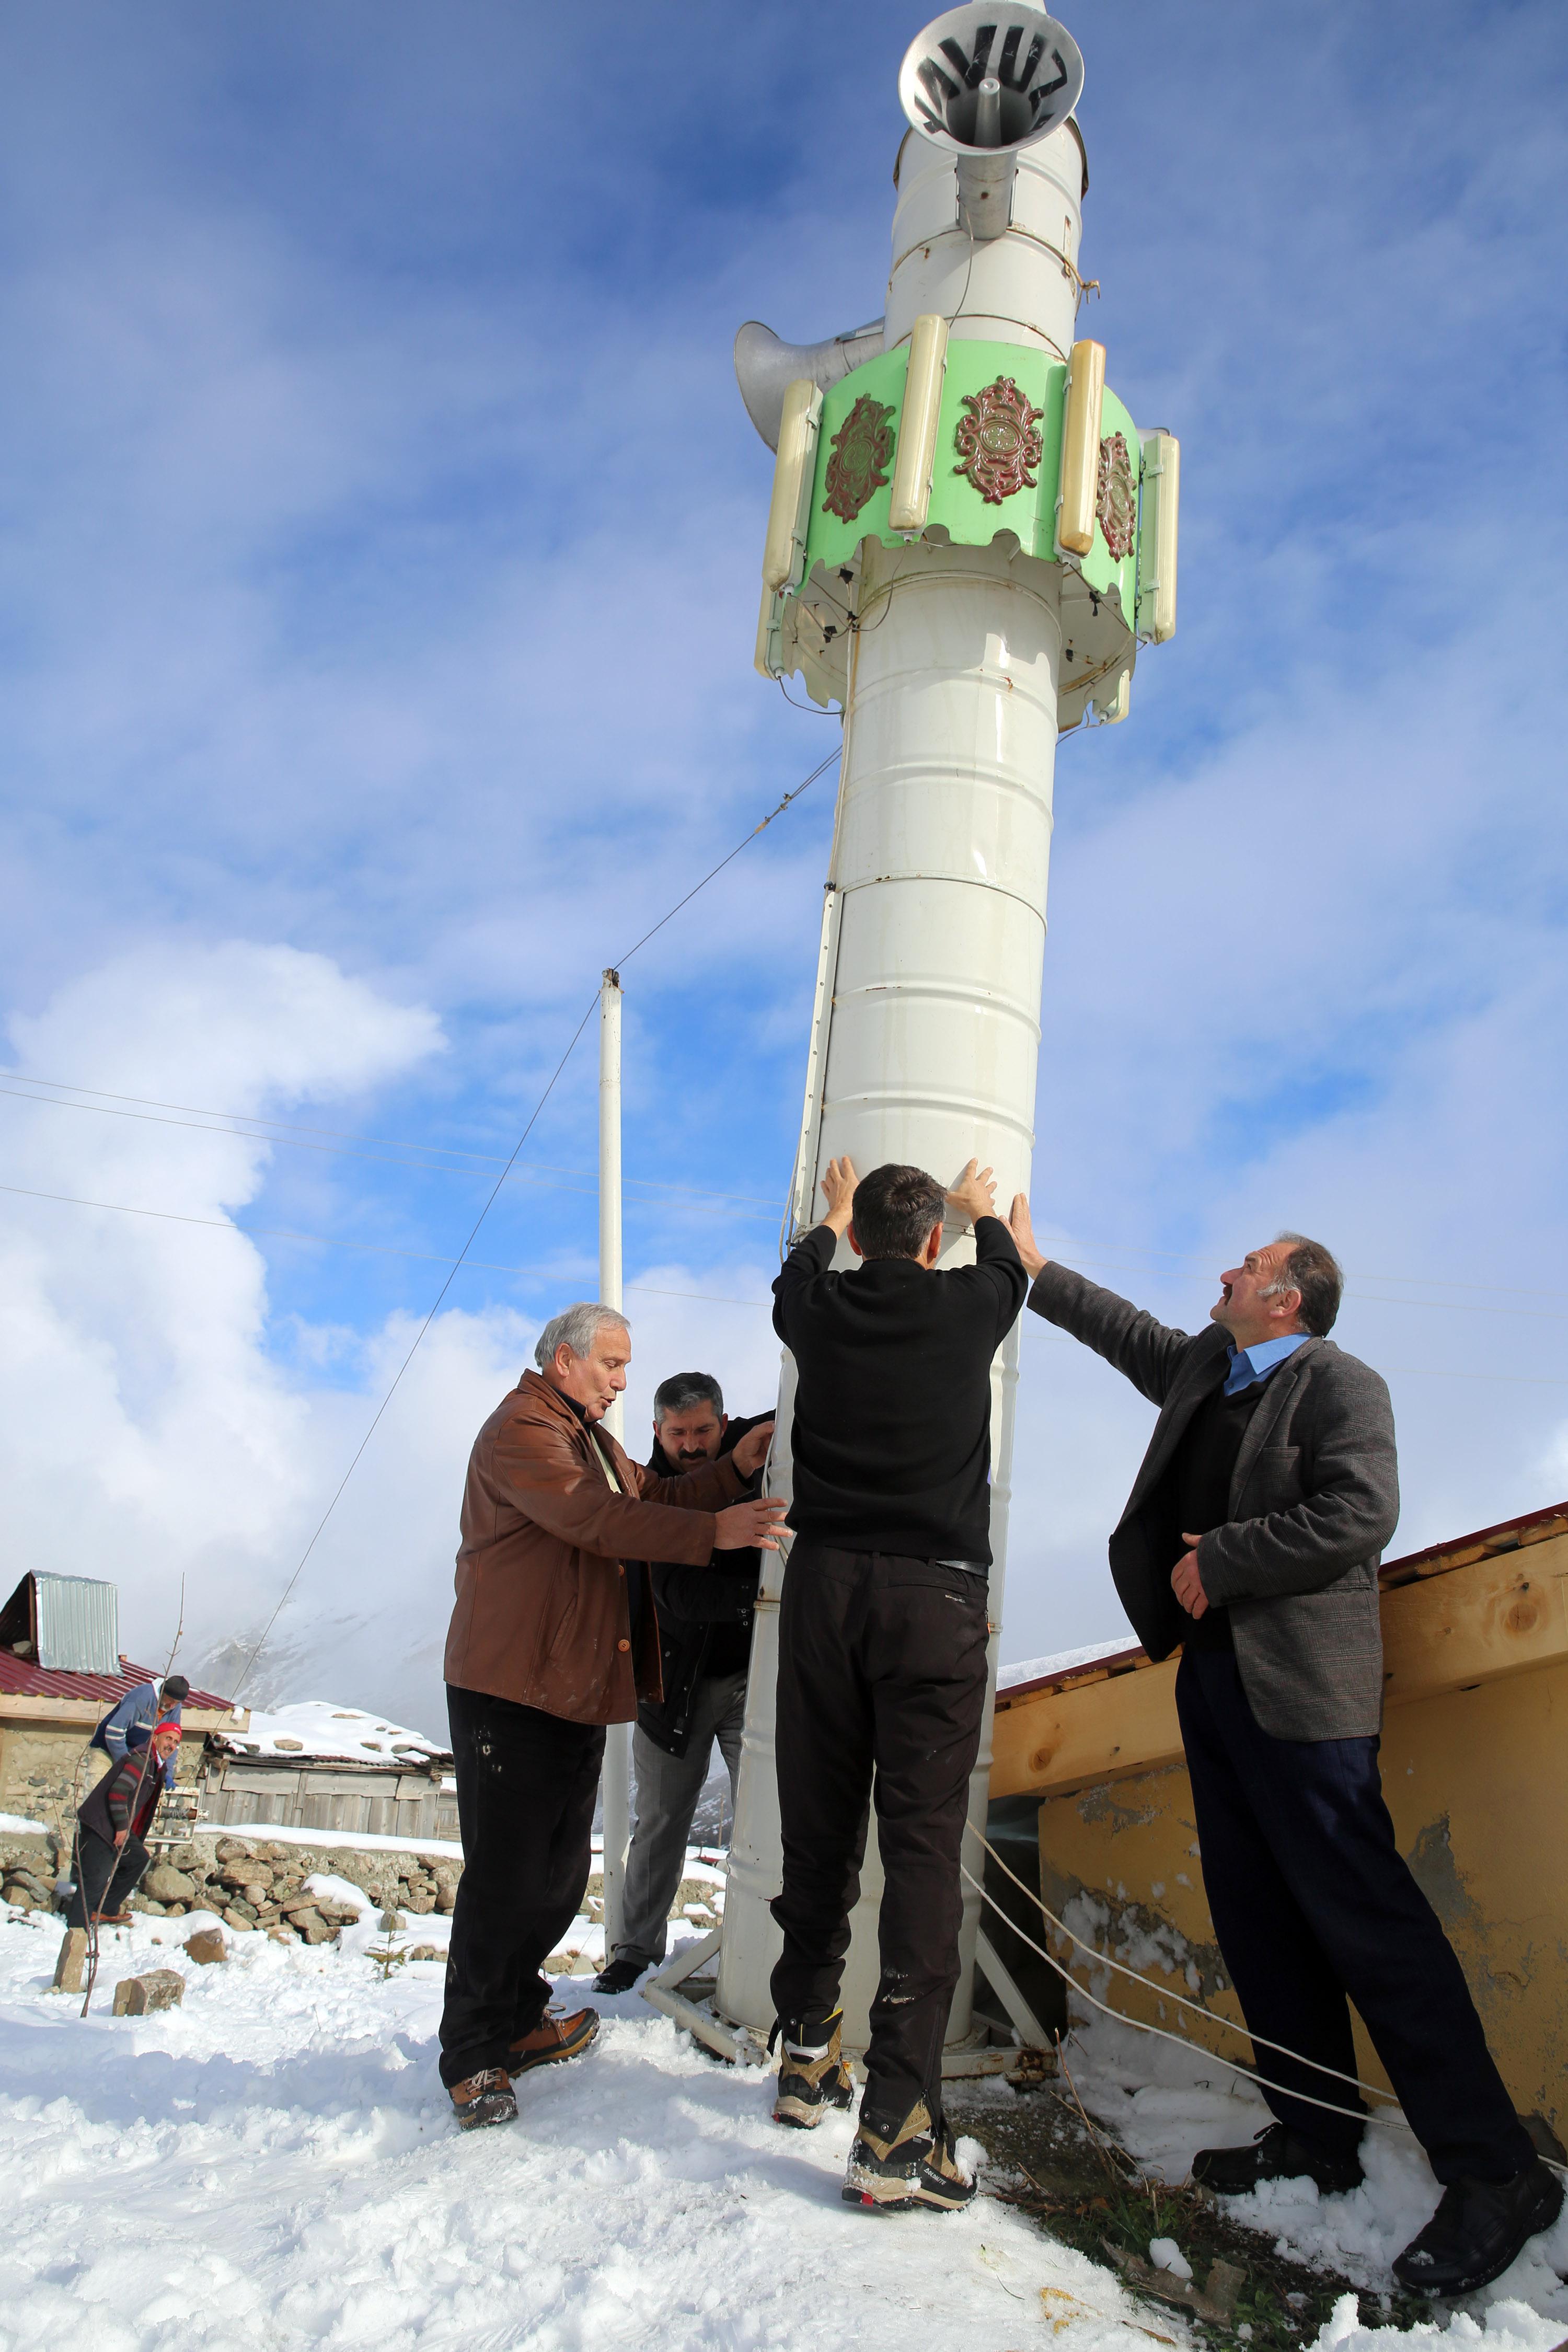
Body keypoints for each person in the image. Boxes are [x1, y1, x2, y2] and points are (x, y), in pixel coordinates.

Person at [1010, 1207, 1563, 2298]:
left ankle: (1497, 2173)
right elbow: (1129, 1334)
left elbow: (1363, 1512)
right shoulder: (1210, 1367)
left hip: (1306, 1692)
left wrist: (1226, 1555)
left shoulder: (1338, 1384)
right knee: (1258, 1915)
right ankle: (1314, 2132)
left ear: (1289, 1298)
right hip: (1213, 1681)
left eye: (1249, 1265)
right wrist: (1033, 1267)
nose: (1224, 1271)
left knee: (1369, 1920)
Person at [439, 1300, 783, 2131]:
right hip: (509, 1687)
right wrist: (719, 1535)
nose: (623, 1381)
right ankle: (472, 2055)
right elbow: (601, 1520)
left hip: (565, 1684)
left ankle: (519, 2020)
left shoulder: (585, 1435)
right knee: (505, 1873)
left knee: (554, 1871)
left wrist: (734, 1467)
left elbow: (658, 1492)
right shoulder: (525, 1430)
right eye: (612, 1366)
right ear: (565, 1361)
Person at [767, 1155, 1028, 2213]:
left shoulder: (815, 1312)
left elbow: (795, 1276)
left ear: (858, 1237)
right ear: (932, 1243)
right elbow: (1008, 1258)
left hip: (822, 1592)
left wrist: (831, 1218)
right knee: (919, 1846)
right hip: (933, 1602)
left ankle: (804, 2052)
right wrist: (974, 1214)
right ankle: (896, 2126)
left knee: (817, 1825)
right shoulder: (972, 1305)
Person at [594, 1372, 770, 1997]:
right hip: (670, 1687)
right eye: (678, 1434)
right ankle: (632, 1952)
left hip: (751, 1680)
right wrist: (764, 1599)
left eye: (703, 1431)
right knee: (662, 1821)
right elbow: (680, 1595)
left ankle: (769, 1949)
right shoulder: (652, 1493)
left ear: (724, 1424)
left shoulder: (752, 1455)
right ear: (656, 1432)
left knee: (767, 1815)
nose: (691, 1445)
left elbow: (794, 1408)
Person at [68, 1720, 181, 1926]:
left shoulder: (156, 1765)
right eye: (168, 1738)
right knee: (95, 1879)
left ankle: (105, 1910)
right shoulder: (141, 1760)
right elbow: (119, 1792)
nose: (171, 1745)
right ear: (155, 1738)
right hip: (101, 1824)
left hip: (117, 1824)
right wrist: (122, 1828)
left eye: (176, 1742)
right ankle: (76, 1929)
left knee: (137, 1859)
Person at [90, 1673, 190, 1793]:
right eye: (171, 1700)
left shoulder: (174, 1708)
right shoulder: (142, 1697)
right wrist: (126, 1763)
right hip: (106, 1750)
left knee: (126, 1798)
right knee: (97, 1795)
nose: (172, 1705)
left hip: (135, 1757)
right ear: (163, 1692)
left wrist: (166, 1772)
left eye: (177, 1703)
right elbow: (114, 1732)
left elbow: (172, 1742)